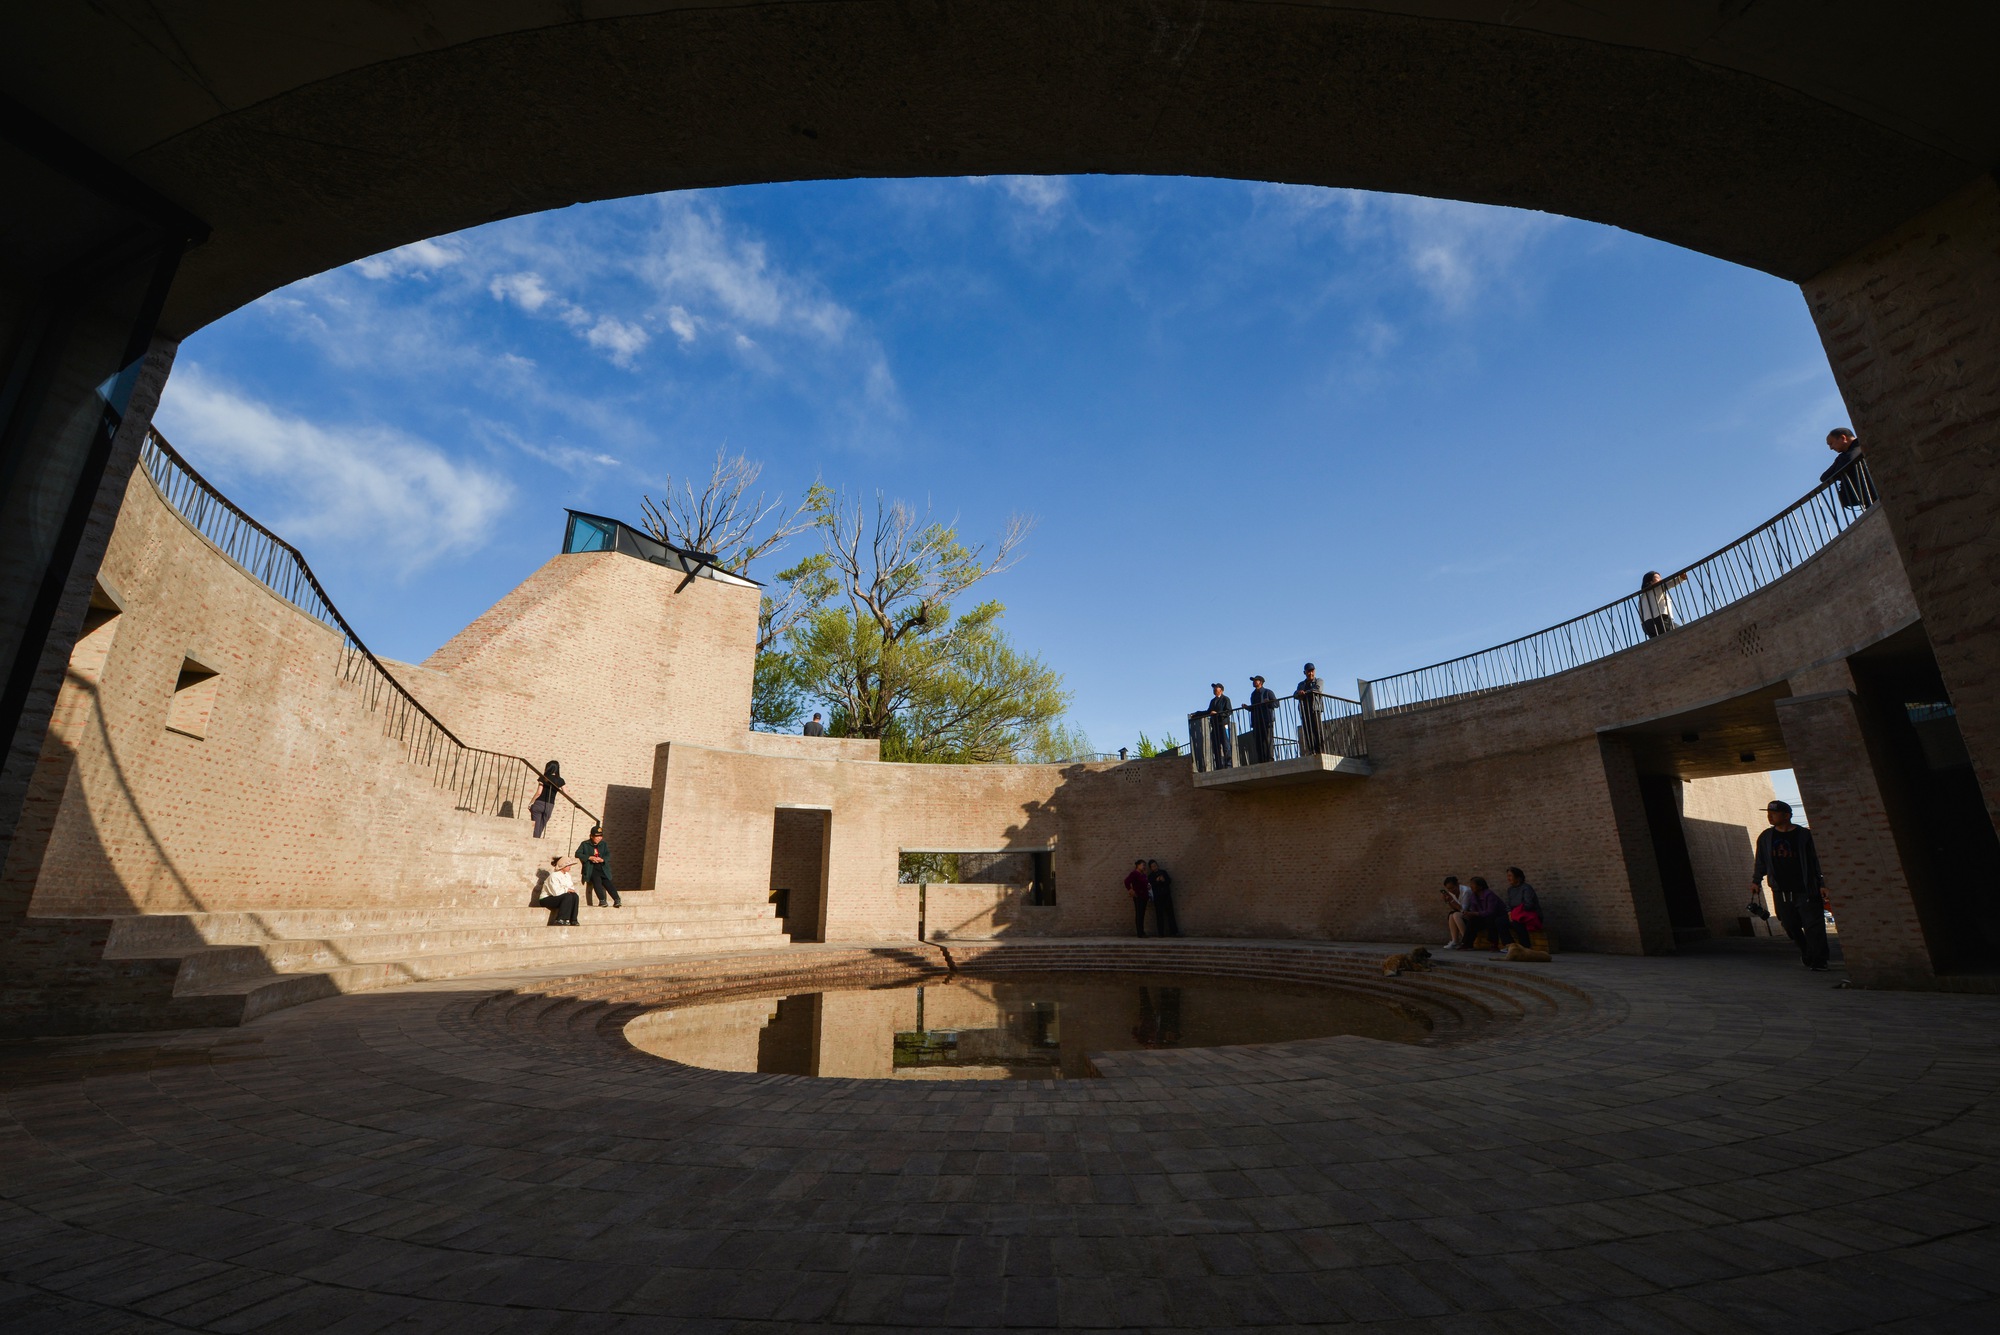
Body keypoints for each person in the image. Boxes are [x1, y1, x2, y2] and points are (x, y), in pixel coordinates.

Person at [1751, 799, 1830, 970]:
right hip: (1781, 891)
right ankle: (1807, 951)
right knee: (1790, 925)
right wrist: (1756, 880)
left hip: (1807, 889)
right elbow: (1761, 861)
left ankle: (1819, 960)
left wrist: (1823, 882)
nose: (1769, 816)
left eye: (1774, 813)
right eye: (1768, 813)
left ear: (1786, 816)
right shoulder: (1766, 837)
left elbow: (1818, 861)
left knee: (1813, 926)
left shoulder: (1805, 836)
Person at [1819, 427, 1877, 508]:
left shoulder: (1862, 445)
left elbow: (1850, 460)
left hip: (1877, 495)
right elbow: (1824, 478)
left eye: (1831, 443)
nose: (1831, 448)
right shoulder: (1843, 457)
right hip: (1870, 500)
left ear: (1843, 438)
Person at [1461, 876, 1511, 951]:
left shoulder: (1489, 895)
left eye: (1473, 884)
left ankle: (1494, 944)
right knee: (1473, 921)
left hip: (1497, 916)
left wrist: (1475, 913)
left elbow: (1490, 911)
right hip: (1483, 916)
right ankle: (1467, 943)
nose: (1471, 886)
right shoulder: (1473, 896)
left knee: (1490, 919)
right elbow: (1474, 911)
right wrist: (1469, 914)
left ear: (1480, 887)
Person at [576, 826, 620, 908]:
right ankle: (602, 900)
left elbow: (608, 855)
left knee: (607, 882)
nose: (599, 838)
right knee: (597, 882)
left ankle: (617, 899)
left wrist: (602, 860)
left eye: (600, 836)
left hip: (602, 867)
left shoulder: (604, 844)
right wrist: (590, 857)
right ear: (591, 836)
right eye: (597, 836)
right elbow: (578, 853)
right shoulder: (585, 844)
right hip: (591, 868)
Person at [1503, 866, 1542, 949]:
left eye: (1510, 876)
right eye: (1508, 876)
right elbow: (1508, 904)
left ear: (1518, 878)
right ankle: (1510, 945)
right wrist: (1510, 912)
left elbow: (1529, 905)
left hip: (1527, 915)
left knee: (1516, 923)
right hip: (1514, 914)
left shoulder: (1526, 888)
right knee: (1500, 921)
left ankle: (1525, 946)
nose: (1508, 878)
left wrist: (1514, 912)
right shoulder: (1510, 889)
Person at [1639, 570, 1686, 638]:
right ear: (1650, 582)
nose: (1661, 579)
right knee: (1681, 634)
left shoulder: (1642, 597)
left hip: (1646, 626)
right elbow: (1669, 584)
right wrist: (1680, 578)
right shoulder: (1656, 588)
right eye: (1657, 578)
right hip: (1660, 619)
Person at [538, 856, 581, 926]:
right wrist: (567, 890)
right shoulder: (554, 876)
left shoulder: (567, 875)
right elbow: (555, 892)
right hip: (546, 899)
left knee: (575, 896)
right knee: (567, 896)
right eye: (568, 865)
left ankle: (573, 919)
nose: (570, 867)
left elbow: (571, 887)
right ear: (563, 866)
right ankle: (560, 919)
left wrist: (570, 890)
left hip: (560, 897)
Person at [1294, 663, 1326, 755]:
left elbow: (1317, 689)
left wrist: (1304, 692)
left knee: (1317, 730)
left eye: (1312, 671)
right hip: (1304, 709)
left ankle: (1320, 751)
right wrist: (1299, 693)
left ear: (1314, 671)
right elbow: (1295, 694)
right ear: (1305, 672)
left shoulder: (1319, 680)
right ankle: (1312, 751)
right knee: (1308, 731)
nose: (1310, 673)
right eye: (1308, 671)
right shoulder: (1301, 684)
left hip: (1315, 708)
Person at [1245, 675, 1277, 764]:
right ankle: (1261, 760)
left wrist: (1269, 702)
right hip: (1256, 721)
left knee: (1268, 740)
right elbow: (1254, 708)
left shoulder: (1268, 692)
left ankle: (1269, 759)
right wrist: (1248, 708)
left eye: (1256, 680)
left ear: (1261, 682)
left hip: (1267, 720)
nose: (1254, 682)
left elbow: (1276, 704)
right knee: (1258, 741)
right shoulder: (1253, 694)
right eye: (1253, 681)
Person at [529, 760, 564, 839]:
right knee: (541, 827)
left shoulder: (543, 778)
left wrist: (531, 803)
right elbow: (566, 793)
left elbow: (539, 793)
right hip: (550, 805)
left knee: (535, 827)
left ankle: (534, 842)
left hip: (539, 803)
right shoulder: (560, 780)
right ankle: (536, 842)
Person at [1147, 859, 1180, 937]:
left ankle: (1174, 932)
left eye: (1155, 865)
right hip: (1158, 898)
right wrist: (1157, 881)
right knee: (1159, 915)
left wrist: (1164, 880)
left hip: (1166, 896)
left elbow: (1169, 881)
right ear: (1151, 868)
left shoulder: (1163, 872)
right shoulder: (1150, 876)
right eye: (1152, 866)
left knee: (1170, 914)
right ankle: (1161, 933)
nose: (1155, 867)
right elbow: (1150, 886)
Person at [1205, 683, 1234, 769]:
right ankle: (1219, 766)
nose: (1214, 690)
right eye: (1214, 689)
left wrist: (1218, 714)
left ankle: (1228, 765)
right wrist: (1196, 714)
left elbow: (1229, 711)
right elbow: (1208, 711)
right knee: (1216, 746)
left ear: (1221, 690)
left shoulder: (1225, 699)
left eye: (1216, 689)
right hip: (1215, 726)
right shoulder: (1213, 701)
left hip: (1223, 724)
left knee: (1226, 745)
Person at [1436, 875, 1468, 949]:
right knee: (1451, 915)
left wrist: (1451, 900)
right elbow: (1454, 908)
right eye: (1448, 889)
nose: (1451, 891)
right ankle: (1455, 941)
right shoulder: (1451, 893)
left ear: (1457, 885)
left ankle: (1466, 940)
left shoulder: (1466, 891)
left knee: (1456, 915)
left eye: (1452, 888)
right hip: (1461, 912)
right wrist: (1447, 901)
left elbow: (1463, 909)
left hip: (1471, 912)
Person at [1124, 859, 1152, 936]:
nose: (1144, 866)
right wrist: (1130, 890)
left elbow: (1145, 884)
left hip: (1144, 896)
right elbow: (1126, 881)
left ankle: (1142, 931)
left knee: (1142, 914)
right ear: (1138, 865)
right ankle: (1140, 932)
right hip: (1138, 896)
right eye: (1143, 865)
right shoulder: (1134, 873)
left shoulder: (1143, 875)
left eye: (1145, 865)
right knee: (1139, 914)